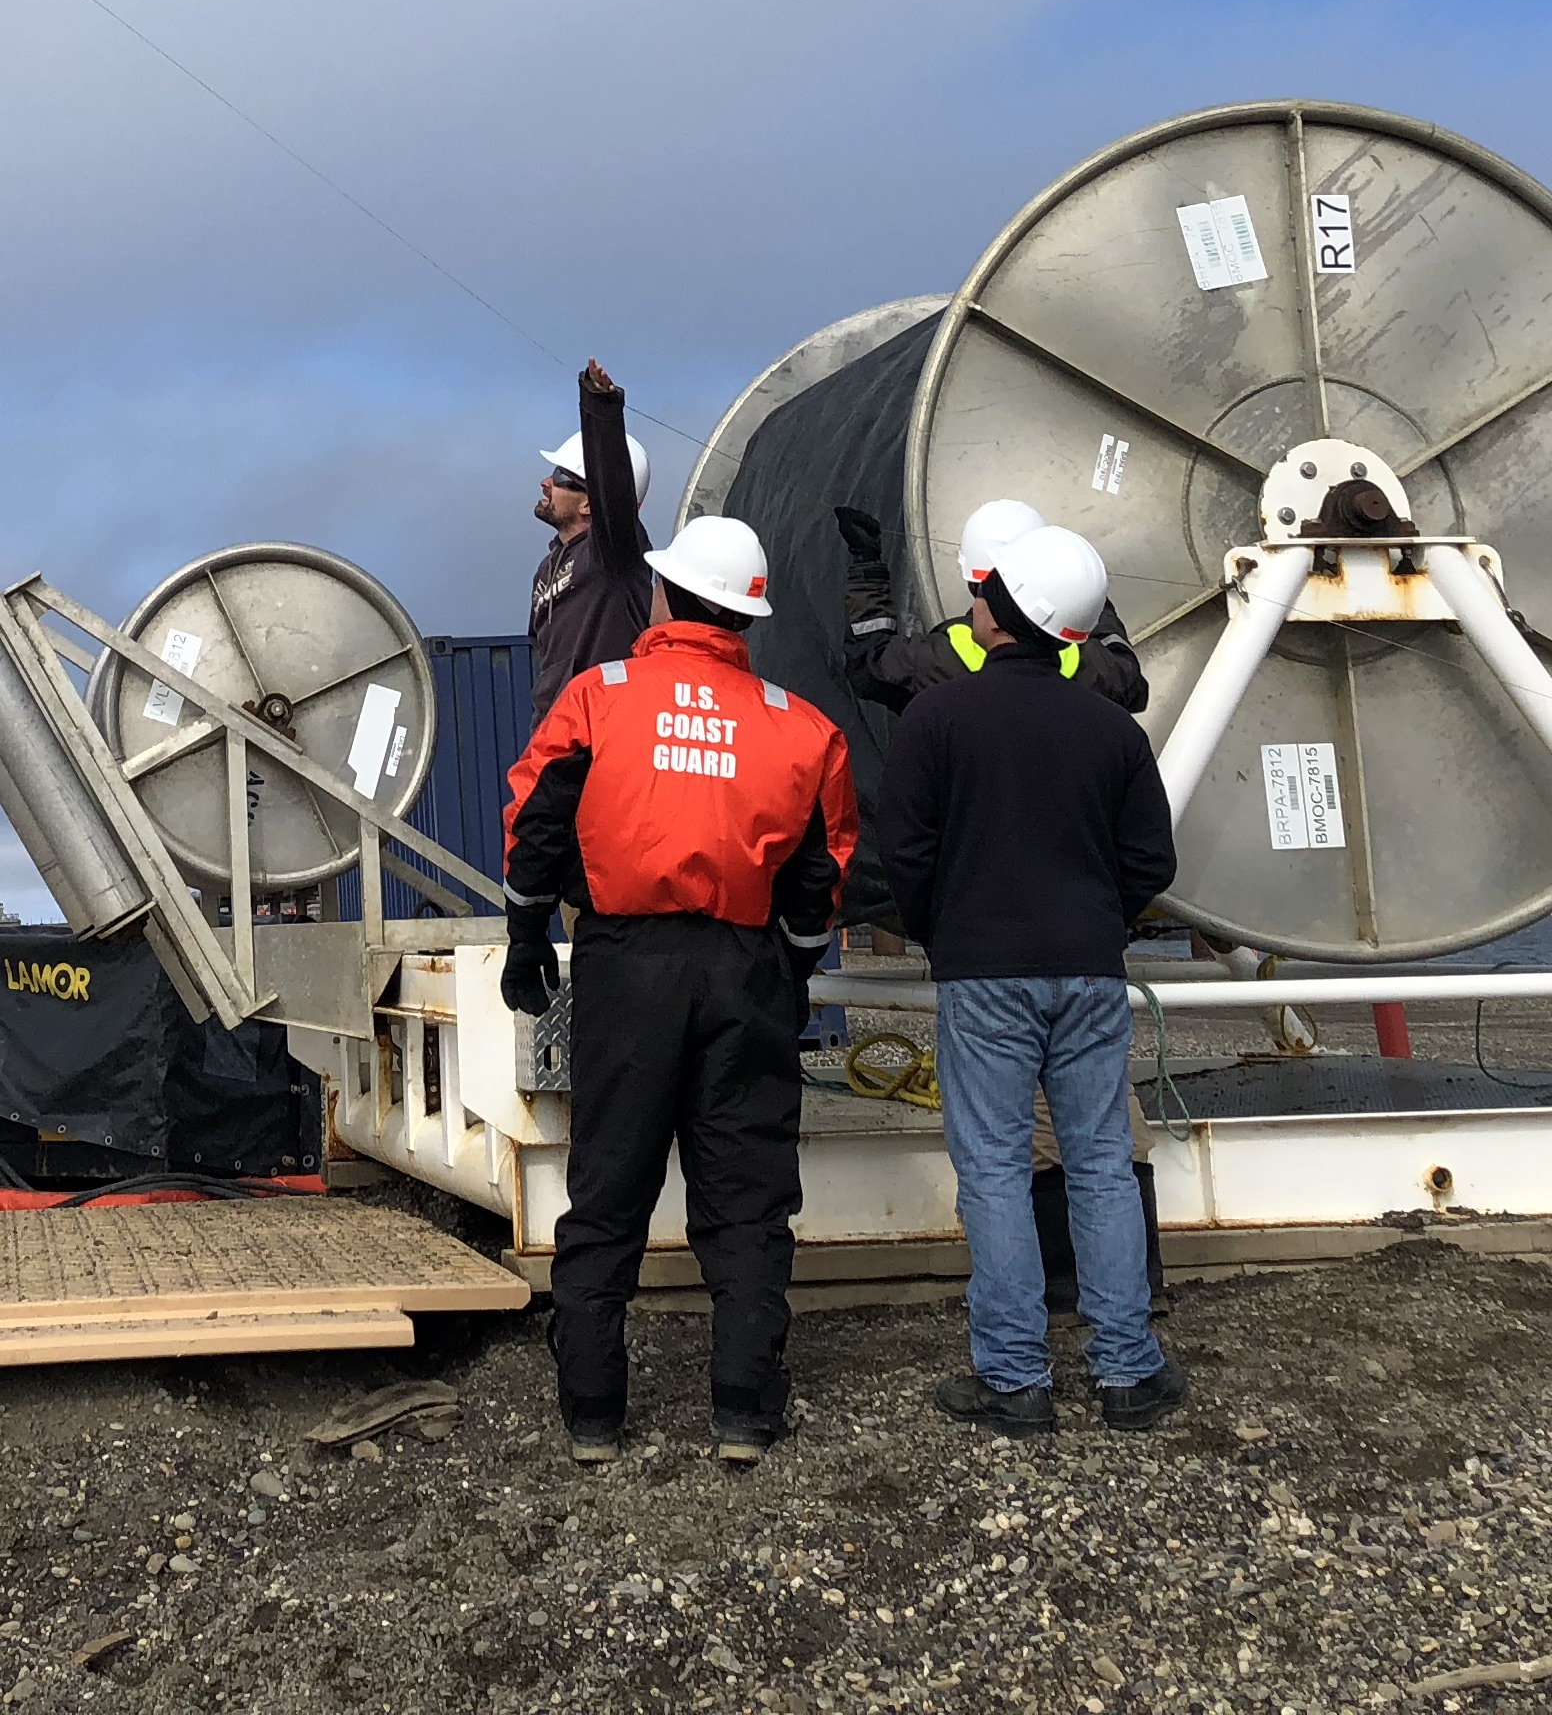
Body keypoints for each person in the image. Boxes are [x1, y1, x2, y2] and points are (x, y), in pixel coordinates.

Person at [501, 511, 856, 1470]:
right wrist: (788, 966)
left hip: (625, 965)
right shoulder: (802, 726)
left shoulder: (598, 695)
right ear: (746, 616)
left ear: (664, 596)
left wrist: (526, 934)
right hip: (744, 969)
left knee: (608, 1184)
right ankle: (743, 1410)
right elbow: (821, 875)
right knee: (744, 1194)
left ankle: (593, 1415)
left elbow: (537, 826)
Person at [864, 520, 1186, 1435]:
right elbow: (1149, 862)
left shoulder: (937, 716)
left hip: (982, 974)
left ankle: (1014, 1380)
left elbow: (906, 854)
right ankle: (1129, 1375)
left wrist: (942, 929)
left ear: (998, 613)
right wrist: (1101, 920)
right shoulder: (1109, 729)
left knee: (997, 1171)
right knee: (1101, 1167)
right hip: (1089, 972)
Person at [828, 496, 1145, 931]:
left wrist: (867, 568)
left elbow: (869, 662)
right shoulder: (1096, 672)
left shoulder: (936, 668)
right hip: (1080, 923)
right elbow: (1129, 677)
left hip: (974, 924)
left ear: (972, 580)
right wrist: (1085, 593)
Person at [528, 358, 656, 719]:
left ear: (589, 502)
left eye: (560, 476)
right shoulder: (546, 570)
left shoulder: (614, 556)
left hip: (604, 729)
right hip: (554, 737)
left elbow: (613, 492)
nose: (546, 482)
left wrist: (600, 409)